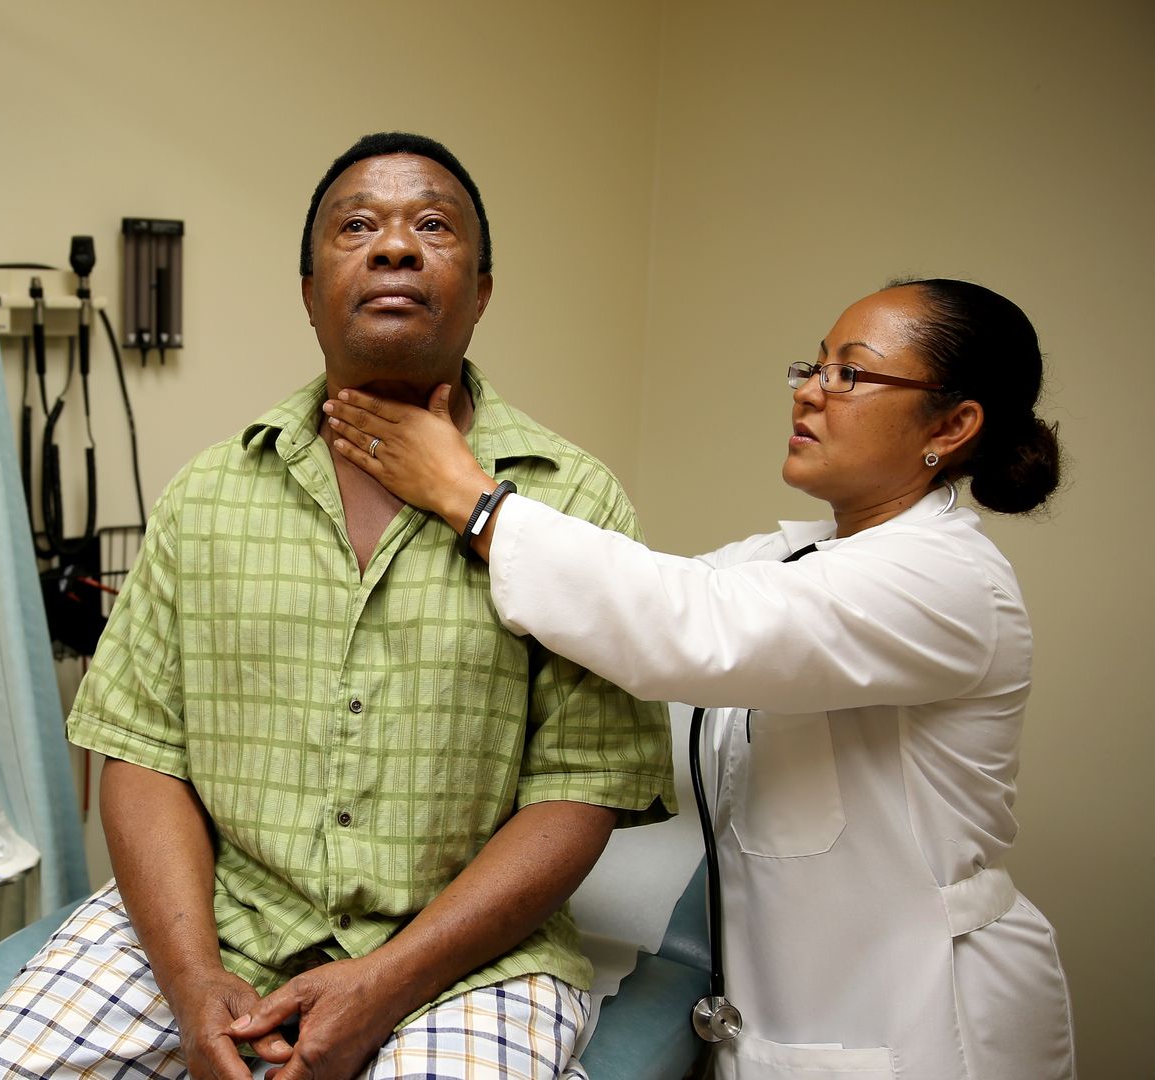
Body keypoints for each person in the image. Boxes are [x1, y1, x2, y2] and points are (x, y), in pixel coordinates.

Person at [0, 132, 674, 1080]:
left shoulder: (570, 505)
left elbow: (583, 789)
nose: (396, 247)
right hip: (221, 924)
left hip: (467, 962)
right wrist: (194, 979)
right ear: (308, 290)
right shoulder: (208, 496)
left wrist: (385, 982)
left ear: (482, 290)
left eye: (434, 227)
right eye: (358, 226)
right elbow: (143, 754)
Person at [314, 278, 1076, 1078]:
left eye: (850, 374)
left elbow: (685, 627)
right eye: (813, 367)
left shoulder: (950, 582)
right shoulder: (787, 559)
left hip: (924, 1016)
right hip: (784, 1010)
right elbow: (633, 601)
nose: (810, 395)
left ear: (952, 425)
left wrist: (465, 496)